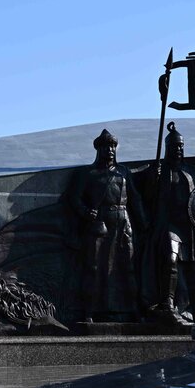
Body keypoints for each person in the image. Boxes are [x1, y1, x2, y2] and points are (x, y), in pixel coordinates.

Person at [140, 123, 195, 321]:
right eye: (175, 146)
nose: (178, 150)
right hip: (169, 225)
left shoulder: (191, 171)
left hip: (191, 226)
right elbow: (147, 198)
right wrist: (153, 179)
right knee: (171, 258)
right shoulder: (160, 171)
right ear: (167, 148)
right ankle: (167, 301)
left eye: (181, 146)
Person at [65, 129, 148, 322]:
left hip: (122, 223)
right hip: (99, 224)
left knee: (127, 267)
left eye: (112, 146)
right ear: (98, 149)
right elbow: (73, 198)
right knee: (93, 268)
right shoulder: (88, 173)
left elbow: (135, 199)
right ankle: (88, 312)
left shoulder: (124, 172)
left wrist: (144, 224)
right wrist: (86, 212)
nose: (110, 150)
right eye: (106, 146)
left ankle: (133, 310)